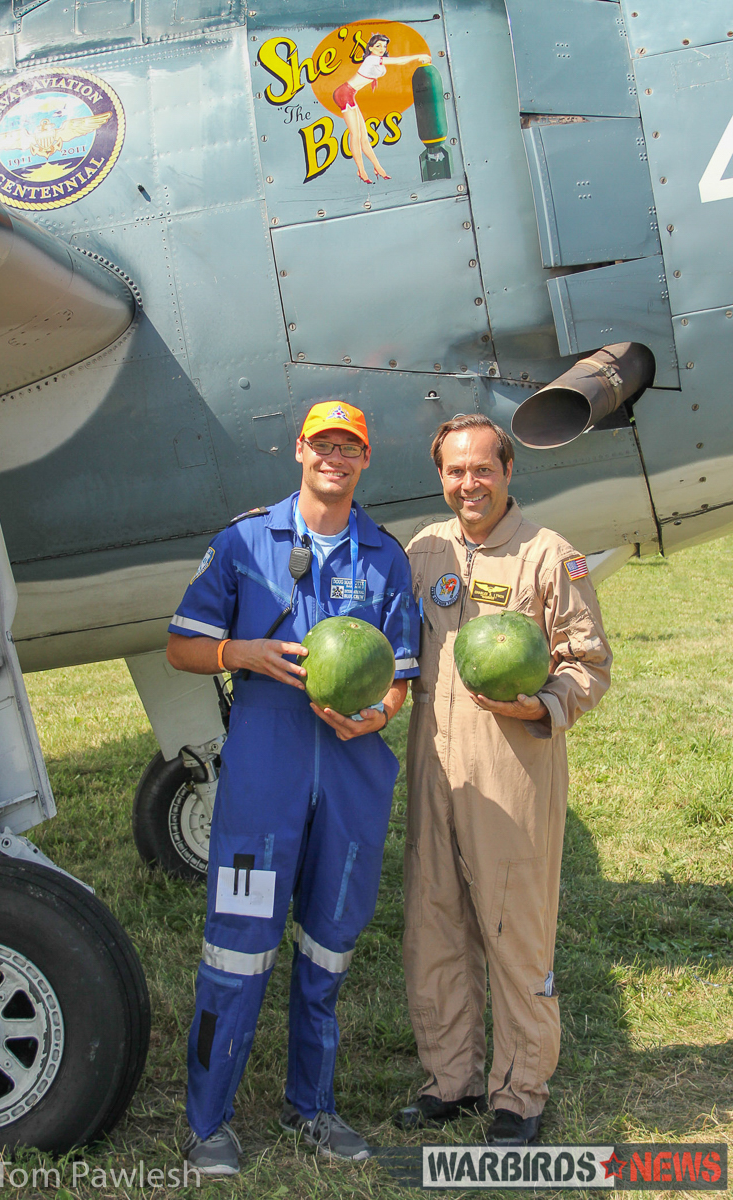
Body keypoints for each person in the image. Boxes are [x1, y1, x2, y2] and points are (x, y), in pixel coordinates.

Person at [167, 400, 420, 1174]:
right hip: (264, 784)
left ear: (365, 460)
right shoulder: (245, 541)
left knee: (328, 951)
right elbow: (182, 646)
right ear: (299, 451)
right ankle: (208, 1125)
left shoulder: (385, 556)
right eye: (322, 445)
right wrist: (239, 651)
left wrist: (377, 712)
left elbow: (401, 675)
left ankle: (312, 1107)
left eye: (350, 447)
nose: (334, 458)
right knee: (236, 951)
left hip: (351, 777)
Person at [397, 414, 611, 1145]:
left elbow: (589, 666)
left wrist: (542, 704)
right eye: (455, 472)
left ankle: (520, 1092)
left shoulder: (550, 558)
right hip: (435, 768)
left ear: (508, 470)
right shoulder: (424, 549)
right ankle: (449, 1081)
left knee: (514, 929)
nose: (469, 484)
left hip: (513, 765)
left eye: (482, 469)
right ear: (441, 477)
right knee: (436, 924)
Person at [331, 33, 431, 184]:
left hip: (350, 95)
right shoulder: (372, 59)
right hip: (344, 94)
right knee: (356, 135)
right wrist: (418, 56)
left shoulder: (375, 61)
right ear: (370, 47)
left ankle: (377, 167)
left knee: (364, 136)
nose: (382, 49)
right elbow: (399, 61)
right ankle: (361, 170)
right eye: (378, 46)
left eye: (384, 46)